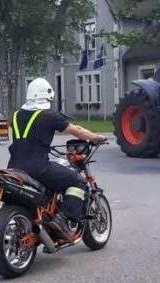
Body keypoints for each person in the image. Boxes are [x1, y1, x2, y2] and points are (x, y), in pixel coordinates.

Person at [8, 78, 106, 245]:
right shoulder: (49, 115)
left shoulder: (17, 115)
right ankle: (62, 219)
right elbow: (77, 130)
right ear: (47, 96)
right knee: (78, 181)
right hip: (38, 168)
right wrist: (96, 137)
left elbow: (30, 138)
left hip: (14, 167)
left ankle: (43, 217)